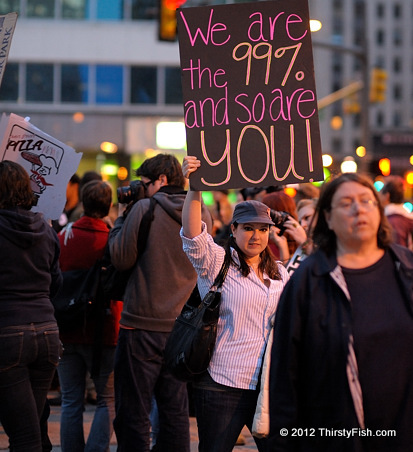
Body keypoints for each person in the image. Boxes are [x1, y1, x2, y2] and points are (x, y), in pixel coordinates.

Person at [268, 172, 413, 451]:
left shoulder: (405, 268)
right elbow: (285, 379)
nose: (359, 209)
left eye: (367, 201)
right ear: (328, 218)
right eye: (346, 203)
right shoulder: (307, 282)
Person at [181, 156, 289, 452]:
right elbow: (193, 235)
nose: (256, 236)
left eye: (263, 229)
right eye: (249, 228)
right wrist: (194, 188)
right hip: (221, 383)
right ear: (234, 230)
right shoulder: (217, 262)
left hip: (266, 386)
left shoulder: (280, 272)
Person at [108, 153, 213, 452]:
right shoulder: (201, 213)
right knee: (175, 409)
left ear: (162, 180)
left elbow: (120, 257)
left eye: (145, 183)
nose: (141, 188)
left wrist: (120, 216)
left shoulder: (143, 208)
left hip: (141, 324)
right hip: (183, 327)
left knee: (134, 410)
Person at [0, 160, 62, 452]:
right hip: (47, 334)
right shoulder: (45, 227)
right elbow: (56, 283)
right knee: (30, 430)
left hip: (8, 333)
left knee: (24, 435)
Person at [57, 180, 122, 452]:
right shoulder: (112, 239)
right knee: (107, 399)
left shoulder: (64, 237)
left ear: (83, 203)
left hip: (66, 326)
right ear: (108, 206)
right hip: (103, 330)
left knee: (71, 399)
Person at [379, 175, 413, 250]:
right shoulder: (406, 218)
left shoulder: (392, 221)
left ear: (387, 196)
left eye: (381, 193)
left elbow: (399, 254)